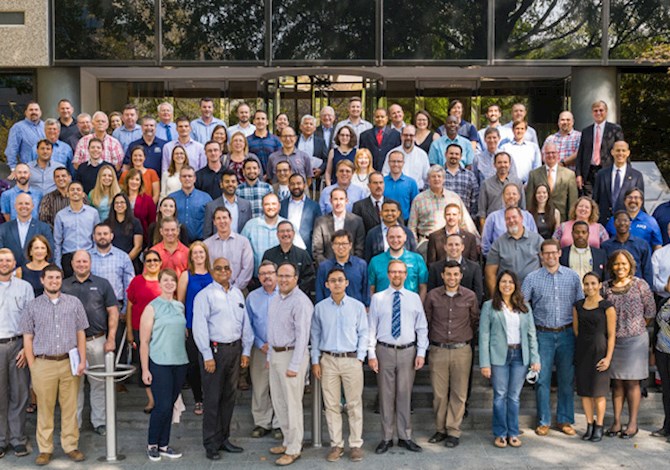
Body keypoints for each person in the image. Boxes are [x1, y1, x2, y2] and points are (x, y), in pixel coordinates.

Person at [20, 264, 88, 466]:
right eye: (50, 278)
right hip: (43, 363)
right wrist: (33, 365)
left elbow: (81, 333)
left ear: (62, 280)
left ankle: (70, 446)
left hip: (69, 362)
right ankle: (45, 449)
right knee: (45, 408)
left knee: (70, 407)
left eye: (57, 278)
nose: (54, 281)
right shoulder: (32, 306)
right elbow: (28, 338)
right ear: (42, 280)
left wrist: (82, 360)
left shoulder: (74, 303)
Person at [192, 257, 253, 460]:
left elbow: (245, 324)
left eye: (227, 267)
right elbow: (200, 327)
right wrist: (207, 355)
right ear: (212, 271)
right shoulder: (204, 296)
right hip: (214, 352)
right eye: (219, 268)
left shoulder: (237, 294)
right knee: (212, 399)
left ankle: (223, 438)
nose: (224, 271)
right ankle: (210, 443)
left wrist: (245, 351)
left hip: (234, 351)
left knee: (229, 398)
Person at [522, 239, 583, 437]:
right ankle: (544, 421)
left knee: (566, 379)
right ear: (541, 255)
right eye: (546, 253)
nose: (550, 256)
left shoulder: (572, 277)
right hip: (542, 334)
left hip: (567, 334)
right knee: (542, 379)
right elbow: (523, 305)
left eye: (553, 253)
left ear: (559, 253)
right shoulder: (532, 278)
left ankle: (565, 420)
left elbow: (580, 306)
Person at [368, 259, 428, 455]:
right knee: (386, 396)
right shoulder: (377, 298)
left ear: (405, 275)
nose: (397, 275)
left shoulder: (414, 298)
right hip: (384, 350)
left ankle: (405, 436)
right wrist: (371, 354)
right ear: (388, 274)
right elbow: (371, 328)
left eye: (401, 272)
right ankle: (386, 437)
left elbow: (422, 327)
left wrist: (421, 352)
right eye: (393, 272)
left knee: (405, 395)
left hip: (407, 352)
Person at [311, 267, 368, 462]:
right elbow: (315, 335)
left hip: (351, 359)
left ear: (346, 283)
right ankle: (336, 445)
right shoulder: (320, 308)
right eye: (333, 280)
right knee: (332, 405)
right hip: (328, 360)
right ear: (327, 285)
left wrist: (360, 357)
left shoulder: (357, 307)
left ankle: (355, 444)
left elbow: (364, 333)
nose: (336, 283)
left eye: (340, 280)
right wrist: (315, 361)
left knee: (353, 404)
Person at [479, 270, 540, 449]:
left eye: (510, 282)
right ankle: (500, 433)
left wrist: (535, 358)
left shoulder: (524, 307)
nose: (507, 285)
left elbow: (531, 334)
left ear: (516, 285)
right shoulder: (489, 306)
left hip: (520, 356)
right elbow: (484, 336)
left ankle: (513, 432)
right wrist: (485, 363)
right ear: (498, 285)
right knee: (499, 396)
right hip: (499, 356)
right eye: (503, 281)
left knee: (514, 397)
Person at [61, 250, 119, 436]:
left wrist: (111, 338)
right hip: (71, 345)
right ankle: (74, 424)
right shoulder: (63, 286)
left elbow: (113, 312)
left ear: (90, 263)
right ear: (72, 264)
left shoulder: (102, 284)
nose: (81, 264)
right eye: (78, 262)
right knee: (73, 386)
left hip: (97, 340)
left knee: (99, 383)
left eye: (85, 261)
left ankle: (100, 422)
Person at [423, 260, 479, 448]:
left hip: (461, 350)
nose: (452, 277)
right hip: (438, 350)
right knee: (439, 394)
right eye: (448, 274)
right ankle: (440, 429)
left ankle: (453, 430)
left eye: (455, 274)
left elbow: (474, 321)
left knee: (459, 393)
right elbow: (427, 320)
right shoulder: (432, 296)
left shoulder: (470, 296)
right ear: (442, 275)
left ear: (461, 276)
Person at [602, 250, 655, 439]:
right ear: (611, 266)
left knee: (633, 382)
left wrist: (633, 327)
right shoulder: (605, 288)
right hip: (614, 341)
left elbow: (650, 312)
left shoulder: (640, 285)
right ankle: (616, 422)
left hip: (635, 340)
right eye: (616, 264)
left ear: (630, 265)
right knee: (616, 383)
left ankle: (632, 423)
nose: (620, 267)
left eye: (624, 264)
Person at [266, 262, 314, 466]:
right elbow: (271, 328)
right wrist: (269, 356)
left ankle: (294, 448)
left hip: (293, 355)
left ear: (296, 278)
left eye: (288, 276)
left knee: (292, 404)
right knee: (279, 402)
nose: (284, 279)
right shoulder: (276, 298)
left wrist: (295, 365)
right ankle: (287, 441)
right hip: (276, 355)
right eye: (281, 275)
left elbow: (303, 336)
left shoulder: (301, 302)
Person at [139, 268, 189, 461]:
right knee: (162, 405)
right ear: (159, 283)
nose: (169, 283)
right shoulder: (152, 307)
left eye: (172, 280)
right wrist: (145, 369)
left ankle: (164, 445)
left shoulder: (179, 306)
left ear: (176, 284)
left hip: (180, 361)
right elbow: (144, 341)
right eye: (165, 280)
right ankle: (152, 443)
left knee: (170, 406)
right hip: (159, 362)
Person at [573, 272, 616, 442]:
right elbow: (576, 331)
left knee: (598, 393)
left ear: (599, 285)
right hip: (583, 352)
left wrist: (608, 358)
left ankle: (599, 426)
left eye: (593, 283)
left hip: (600, 352)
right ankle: (589, 424)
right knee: (585, 393)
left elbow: (612, 334)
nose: (589, 287)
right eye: (586, 284)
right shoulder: (577, 306)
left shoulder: (607, 306)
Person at [0, 249, 34, 459]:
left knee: (20, 394)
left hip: (18, 344)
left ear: (15, 263)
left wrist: (25, 347)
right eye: (1, 260)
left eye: (8, 260)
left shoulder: (25, 287)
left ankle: (18, 439)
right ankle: (1, 440)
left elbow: (30, 319)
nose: (4, 263)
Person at [246, 260, 282, 440]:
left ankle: (278, 424)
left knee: (279, 387)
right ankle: (262, 422)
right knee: (260, 387)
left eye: (270, 273)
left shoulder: (285, 294)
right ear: (258, 277)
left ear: (276, 274)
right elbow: (248, 325)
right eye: (263, 274)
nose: (267, 276)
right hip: (260, 348)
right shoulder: (252, 297)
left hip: (281, 349)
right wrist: (260, 343)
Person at [407, 165, 478, 256]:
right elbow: (412, 226)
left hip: (452, 243)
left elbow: (465, 221)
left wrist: (476, 241)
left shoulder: (453, 197)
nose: (436, 179)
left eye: (439, 176)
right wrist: (414, 247)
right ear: (428, 180)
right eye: (433, 176)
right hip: (426, 243)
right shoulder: (419, 199)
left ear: (444, 179)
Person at [176, 242, 212, 416]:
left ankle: (211, 398)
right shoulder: (186, 275)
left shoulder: (213, 274)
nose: (198, 256)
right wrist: (183, 325)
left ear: (206, 254)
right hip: (192, 326)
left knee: (211, 364)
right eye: (195, 253)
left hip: (213, 328)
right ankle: (199, 399)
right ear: (190, 256)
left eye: (201, 252)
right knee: (193, 364)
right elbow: (180, 303)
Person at [126, 250, 163, 413]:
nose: (152, 263)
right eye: (148, 261)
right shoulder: (136, 281)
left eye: (155, 260)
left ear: (160, 263)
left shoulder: (166, 280)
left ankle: (163, 397)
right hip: (140, 329)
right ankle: (151, 399)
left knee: (161, 365)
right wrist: (129, 331)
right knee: (145, 364)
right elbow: (129, 306)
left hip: (162, 331)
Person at [485, 207, 543, 296]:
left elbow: (546, 265)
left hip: (534, 292)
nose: (511, 220)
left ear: (521, 218)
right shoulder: (498, 243)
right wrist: (496, 298)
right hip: (508, 294)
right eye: (507, 219)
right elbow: (490, 273)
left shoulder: (537, 239)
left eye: (514, 217)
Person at [575, 100, 624, 195]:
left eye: (601, 110)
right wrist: (578, 174)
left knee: (605, 199)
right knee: (590, 201)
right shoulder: (586, 131)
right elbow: (580, 154)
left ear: (606, 112)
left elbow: (622, 152)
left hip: (607, 170)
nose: (598, 113)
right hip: (589, 172)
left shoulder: (614, 130)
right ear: (592, 113)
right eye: (595, 111)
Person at [53, 181, 100, 277]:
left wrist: (95, 259)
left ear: (83, 194)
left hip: (88, 255)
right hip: (68, 257)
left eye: (78, 190)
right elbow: (57, 242)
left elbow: (96, 238)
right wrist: (58, 265)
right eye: (72, 190)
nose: (75, 192)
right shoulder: (60, 215)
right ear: (67, 194)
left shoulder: (93, 213)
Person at [368, 225, 428, 299]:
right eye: (391, 237)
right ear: (386, 238)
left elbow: (423, 286)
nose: (395, 240)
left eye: (399, 237)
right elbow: (371, 288)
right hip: (383, 306)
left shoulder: (417, 259)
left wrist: (419, 306)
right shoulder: (375, 261)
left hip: (410, 306)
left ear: (405, 237)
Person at [592, 141, 644, 225]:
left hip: (626, 224)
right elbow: (595, 200)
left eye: (623, 150)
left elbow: (640, 203)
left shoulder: (637, 176)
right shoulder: (601, 174)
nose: (620, 153)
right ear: (612, 152)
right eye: (618, 150)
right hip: (604, 223)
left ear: (628, 153)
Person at [315, 230, 370, 306]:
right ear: (332, 246)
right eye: (337, 244)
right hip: (330, 310)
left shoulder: (361, 265)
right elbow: (319, 292)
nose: (340, 247)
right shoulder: (324, 267)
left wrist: (366, 307)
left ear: (350, 245)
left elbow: (366, 291)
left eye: (344, 243)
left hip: (355, 311)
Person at [526, 142, 578, 221]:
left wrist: (571, 221)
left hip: (562, 219)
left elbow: (572, 202)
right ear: (543, 156)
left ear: (558, 154)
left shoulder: (569, 175)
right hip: (539, 220)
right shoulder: (534, 174)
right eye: (547, 153)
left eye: (553, 152)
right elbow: (529, 200)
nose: (550, 155)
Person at [481, 183, 537, 256]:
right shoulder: (493, 217)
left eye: (514, 194)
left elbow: (535, 241)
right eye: (508, 194)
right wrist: (495, 260)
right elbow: (485, 244)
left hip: (526, 261)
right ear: (503, 197)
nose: (511, 196)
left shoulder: (528, 216)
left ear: (519, 196)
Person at [312, 188, 365, 264]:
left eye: (341, 199)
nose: (338, 202)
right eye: (335, 199)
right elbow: (317, 250)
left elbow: (359, 249)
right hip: (327, 268)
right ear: (330, 201)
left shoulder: (357, 221)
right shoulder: (320, 222)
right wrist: (327, 266)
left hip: (351, 267)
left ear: (346, 201)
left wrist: (351, 265)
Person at [0, 193, 54, 268]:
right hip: (10, 273)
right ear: (15, 206)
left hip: (36, 273)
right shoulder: (3, 228)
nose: (24, 206)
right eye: (20, 203)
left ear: (33, 206)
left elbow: (50, 252)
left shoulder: (43, 228)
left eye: (27, 203)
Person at [427, 233, 484, 302]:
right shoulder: (434, 268)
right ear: (445, 247)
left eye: (457, 244)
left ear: (462, 247)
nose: (453, 248)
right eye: (450, 245)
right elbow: (431, 293)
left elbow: (478, 295)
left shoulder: (474, 268)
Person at [262, 221, 315, 295]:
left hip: (298, 296)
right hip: (273, 296)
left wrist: (295, 291)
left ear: (293, 233)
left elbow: (309, 277)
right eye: (282, 231)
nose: (285, 234)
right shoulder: (269, 254)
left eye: (288, 231)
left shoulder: (303, 254)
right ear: (277, 234)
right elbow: (264, 274)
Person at [601, 210, 653, 286]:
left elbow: (647, 270)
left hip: (636, 288)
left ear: (630, 223)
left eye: (625, 220)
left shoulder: (642, 244)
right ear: (614, 224)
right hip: (614, 288)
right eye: (619, 220)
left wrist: (649, 290)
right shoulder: (606, 246)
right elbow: (606, 271)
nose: (622, 223)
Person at [241, 193, 285, 277]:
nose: (271, 207)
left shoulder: (288, 225)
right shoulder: (251, 226)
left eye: (274, 204)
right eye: (267, 204)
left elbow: (298, 251)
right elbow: (240, 250)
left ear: (279, 206)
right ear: (262, 206)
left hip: (282, 279)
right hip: (256, 279)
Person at [279, 173, 321, 254]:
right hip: (284, 249)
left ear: (304, 185)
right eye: (292, 184)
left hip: (306, 251)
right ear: (288, 186)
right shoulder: (282, 205)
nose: (296, 187)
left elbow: (318, 231)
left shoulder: (314, 206)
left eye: (299, 183)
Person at [203, 170, 253, 238]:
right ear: (221, 184)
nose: (230, 184)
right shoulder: (211, 206)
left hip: (240, 246)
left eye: (233, 181)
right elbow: (207, 233)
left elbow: (250, 230)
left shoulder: (246, 205)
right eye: (227, 182)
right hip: (218, 246)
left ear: (237, 184)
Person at [169, 165, 212, 241]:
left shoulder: (205, 198)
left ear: (194, 178)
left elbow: (211, 220)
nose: (187, 178)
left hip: (200, 242)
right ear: (180, 179)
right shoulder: (171, 198)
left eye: (190, 176)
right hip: (176, 241)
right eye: (184, 176)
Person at [4, 101, 45, 174]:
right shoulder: (18, 128)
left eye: (36, 110)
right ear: (26, 112)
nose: (34, 112)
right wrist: (13, 168)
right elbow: (11, 149)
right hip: (28, 170)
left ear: (40, 112)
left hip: (46, 169)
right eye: (31, 110)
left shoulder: (45, 126)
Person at [119, 170, 156, 245]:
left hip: (142, 239)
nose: (134, 182)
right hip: (122, 238)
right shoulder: (120, 197)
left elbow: (152, 223)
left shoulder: (148, 200)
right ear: (127, 181)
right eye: (132, 179)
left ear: (141, 182)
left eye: (137, 179)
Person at [653, 284, 670, 439]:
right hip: (662, 351)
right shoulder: (663, 302)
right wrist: (653, 350)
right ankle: (667, 426)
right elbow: (656, 327)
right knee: (666, 391)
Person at [442, 143, 479, 217]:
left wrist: (472, 217)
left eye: (457, 154)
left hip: (464, 218)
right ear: (446, 154)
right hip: (441, 218)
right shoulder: (437, 174)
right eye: (451, 153)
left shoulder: (469, 175)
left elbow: (475, 199)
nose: (454, 156)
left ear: (461, 156)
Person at [383, 150, 419, 221]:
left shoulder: (411, 183)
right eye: (393, 161)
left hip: (405, 221)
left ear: (403, 163)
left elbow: (415, 206)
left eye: (399, 161)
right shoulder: (382, 181)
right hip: (385, 220)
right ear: (388, 163)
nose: (396, 164)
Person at [296, 114, 328, 178]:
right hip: (296, 175)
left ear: (314, 128)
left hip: (314, 177)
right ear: (301, 126)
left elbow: (326, 159)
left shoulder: (321, 142)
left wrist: (321, 170)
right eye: (306, 123)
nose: (308, 126)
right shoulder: (294, 140)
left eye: (311, 124)